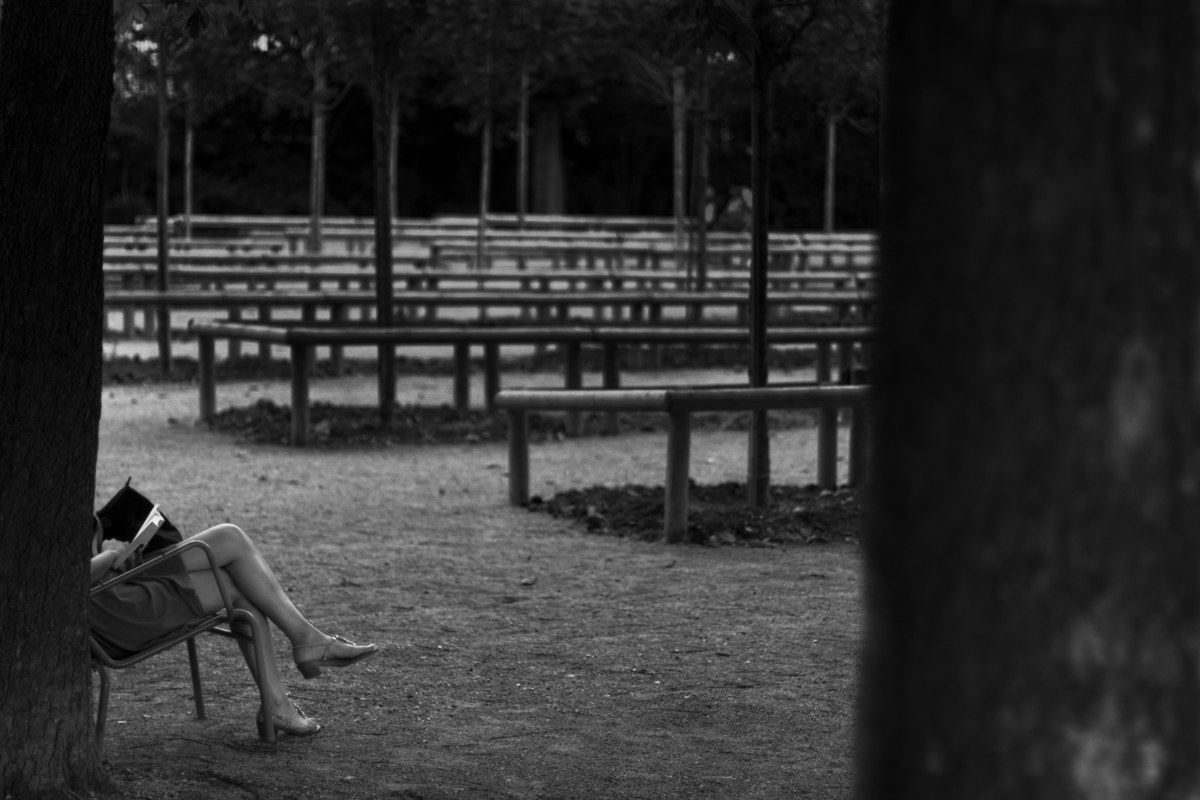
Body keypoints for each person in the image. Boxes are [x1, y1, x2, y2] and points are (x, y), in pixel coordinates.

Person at [89, 522, 377, 738]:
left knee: (230, 537)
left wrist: (110, 550)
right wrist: (107, 554)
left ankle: (295, 668)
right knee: (232, 584)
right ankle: (294, 671)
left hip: (113, 581)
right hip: (108, 607)